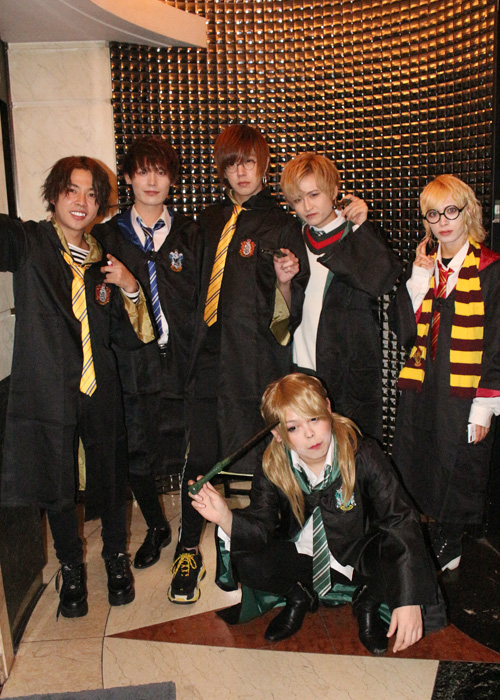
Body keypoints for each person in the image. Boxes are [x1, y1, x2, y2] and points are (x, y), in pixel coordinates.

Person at [190, 373, 445, 653]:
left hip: (358, 560)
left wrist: (408, 599)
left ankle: (368, 601)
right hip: (303, 561)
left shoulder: (362, 453)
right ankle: (297, 595)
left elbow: (399, 519)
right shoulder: (273, 465)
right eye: (293, 427)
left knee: (399, 550)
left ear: (328, 407)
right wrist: (224, 517)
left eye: (314, 418)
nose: (309, 434)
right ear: (277, 434)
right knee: (245, 554)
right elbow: (261, 525)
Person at [0, 156, 155, 617]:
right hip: (47, 385)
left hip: (100, 383)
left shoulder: (105, 260)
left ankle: (115, 558)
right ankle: (71, 568)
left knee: (111, 473)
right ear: (54, 195)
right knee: (57, 479)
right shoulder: (31, 243)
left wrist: (129, 286)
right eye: (72, 190)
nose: (82, 202)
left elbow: (134, 335)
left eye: (91, 194)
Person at [168, 124, 309, 605]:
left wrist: (285, 282)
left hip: (256, 364)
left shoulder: (281, 224)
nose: (241, 172)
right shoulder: (207, 221)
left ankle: (242, 548)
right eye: (232, 164)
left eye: (249, 162)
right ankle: (190, 548)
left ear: (263, 164)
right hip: (207, 359)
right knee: (202, 459)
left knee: (257, 465)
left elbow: (290, 312)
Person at [93, 136, 201, 570]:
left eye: (160, 172)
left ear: (172, 179)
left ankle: (190, 536)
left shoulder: (192, 233)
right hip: (131, 361)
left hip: (183, 358)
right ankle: (156, 525)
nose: (151, 181)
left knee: (192, 448)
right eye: (142, 172)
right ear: (127, 178)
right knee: (136, 451)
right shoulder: (106, 236)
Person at [391, 174, 500, 572]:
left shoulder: (490, 270)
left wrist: (484, 406)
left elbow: (497, 341)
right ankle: (428, 532)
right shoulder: (428, 269)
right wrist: (418, 279)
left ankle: (450, 541)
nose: (443, 222)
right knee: (421, 458)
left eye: (451, 210)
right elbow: (404, 332)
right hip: (423, 384)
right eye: (433, 214)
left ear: (468, 211)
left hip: (463, 390)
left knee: (458, 462)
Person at [280, 153, 402, 442]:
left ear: (334, 190)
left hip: (349, 373)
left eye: (314, 194)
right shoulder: (290, 238)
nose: (307, 206)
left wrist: (362, 227)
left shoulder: (357, 233)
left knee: (352, 452)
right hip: (301, 368)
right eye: (297, 199)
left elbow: (383, 279)